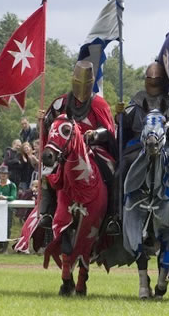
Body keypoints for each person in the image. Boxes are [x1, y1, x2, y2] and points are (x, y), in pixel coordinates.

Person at [36, 61, 118, 234]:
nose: (81, 87)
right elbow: (50, 128)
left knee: (113, 172)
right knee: (47, 173)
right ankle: (47, 212)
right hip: (64, 151)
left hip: (94, 150)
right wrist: (42, 121)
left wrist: (95, 134)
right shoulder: (61, 103)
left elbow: (109, 130)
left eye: (85, 83)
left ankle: (112, 216)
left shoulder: (99, 104)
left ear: (91, 82)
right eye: (78, 82)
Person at [117, 61, 169, 224]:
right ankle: (116, 215)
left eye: (156, 80)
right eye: (150, 80)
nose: (153, 84)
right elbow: (125, 121)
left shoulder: (168, 101)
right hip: (138, 144)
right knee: (119, 173)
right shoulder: (138, 99)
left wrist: (166, 125)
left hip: (164, 144)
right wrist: (120, 115)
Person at [0, 166, 17, 254]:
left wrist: (5, 197)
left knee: (7, 228)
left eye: (5, 174)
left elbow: (13, 196)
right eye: (2, 174)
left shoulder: (11, 185)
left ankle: (5, 247)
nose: (3, 176)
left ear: (7, 175)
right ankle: (0, 246)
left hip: (8, 209)